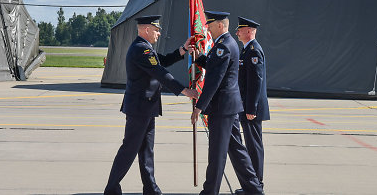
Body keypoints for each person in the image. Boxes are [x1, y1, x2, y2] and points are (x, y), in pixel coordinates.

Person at [104, 15, 199, 195]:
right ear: (146, 29)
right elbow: (160, 73)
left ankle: (151, 189)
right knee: (129, 149)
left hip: (146, 108)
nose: (159, 33)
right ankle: (111, 189)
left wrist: (183, 49)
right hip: (140, 109)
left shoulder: (145, 48)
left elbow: (161, 61)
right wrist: (184, 91)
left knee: (147, 151)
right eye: (156, 30)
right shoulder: (141, 50)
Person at [191, 11, 263, 195]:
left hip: (222, 108)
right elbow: (217, 68)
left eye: (210, 24)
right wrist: (201, 58)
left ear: (220, 26)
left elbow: (215, 79)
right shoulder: (226, 44)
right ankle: (254, 189)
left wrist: (199, 106)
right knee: (237, 151)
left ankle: (210, 191)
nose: (207, 27)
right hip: (230, 107)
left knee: (217, 153)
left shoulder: (223, 46)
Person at [234, 16, 270, 194]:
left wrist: (251, 108)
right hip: (247, 106)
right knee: (251, 145)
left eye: (240, 29)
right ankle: (253, 184)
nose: (237, 32)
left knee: (254, 146)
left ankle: (257, 185)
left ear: (249, 31)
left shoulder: (253, 51)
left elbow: (256, 82)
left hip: (251, 109)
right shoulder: (246, 50)